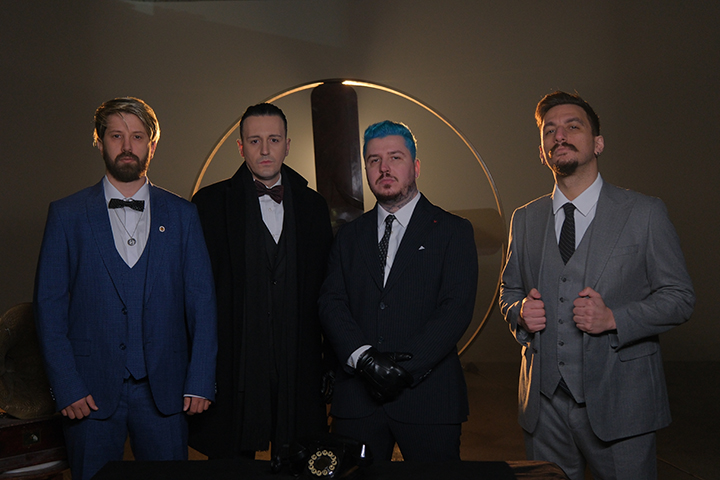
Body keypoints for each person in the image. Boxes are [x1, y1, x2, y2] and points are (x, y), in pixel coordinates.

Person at [499, 91, 695, 479]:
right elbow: (509, 291)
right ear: (542, 151)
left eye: (573, 126)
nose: (560, 136)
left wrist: (614, 319)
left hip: (623, 404)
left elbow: (680, 297)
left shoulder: (644, 212)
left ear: (598, 143)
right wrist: (519, 312)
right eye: (550, 131)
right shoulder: (525, 219)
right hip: (544, 408)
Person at [33, 97, 218, 480]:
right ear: (100, 142)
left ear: (152, 144)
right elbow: (49, 308)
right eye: (116, 135)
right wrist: (66, 385)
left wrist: (201, 380)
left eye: (137, 136)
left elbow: (203, 304)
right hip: (87, 393)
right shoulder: (66, 215)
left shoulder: (183, 215)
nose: (127, 145)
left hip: (167, 392)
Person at [318, 120, 478, 461]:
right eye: (374, 160)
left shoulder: (453, 231)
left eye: (395, 157)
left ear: (415, 166)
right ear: (365, 170)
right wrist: (364, 360)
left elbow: (456, 308)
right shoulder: (347, 237)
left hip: (429, 399)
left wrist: (402, 370)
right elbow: (332, 303)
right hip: (357, 402)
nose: (384, 168)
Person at [189, 103, 334, 463]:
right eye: (255, 141)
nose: (265, 149)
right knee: (232, 467)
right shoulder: (208, 205)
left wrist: (330, 363)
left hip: (297, 361)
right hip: (234, 363)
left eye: (274, 139)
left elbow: (328, 293)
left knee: (298, 461)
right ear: (241, 147)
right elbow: (194, 296)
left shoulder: (314, 206)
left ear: (288, 145)